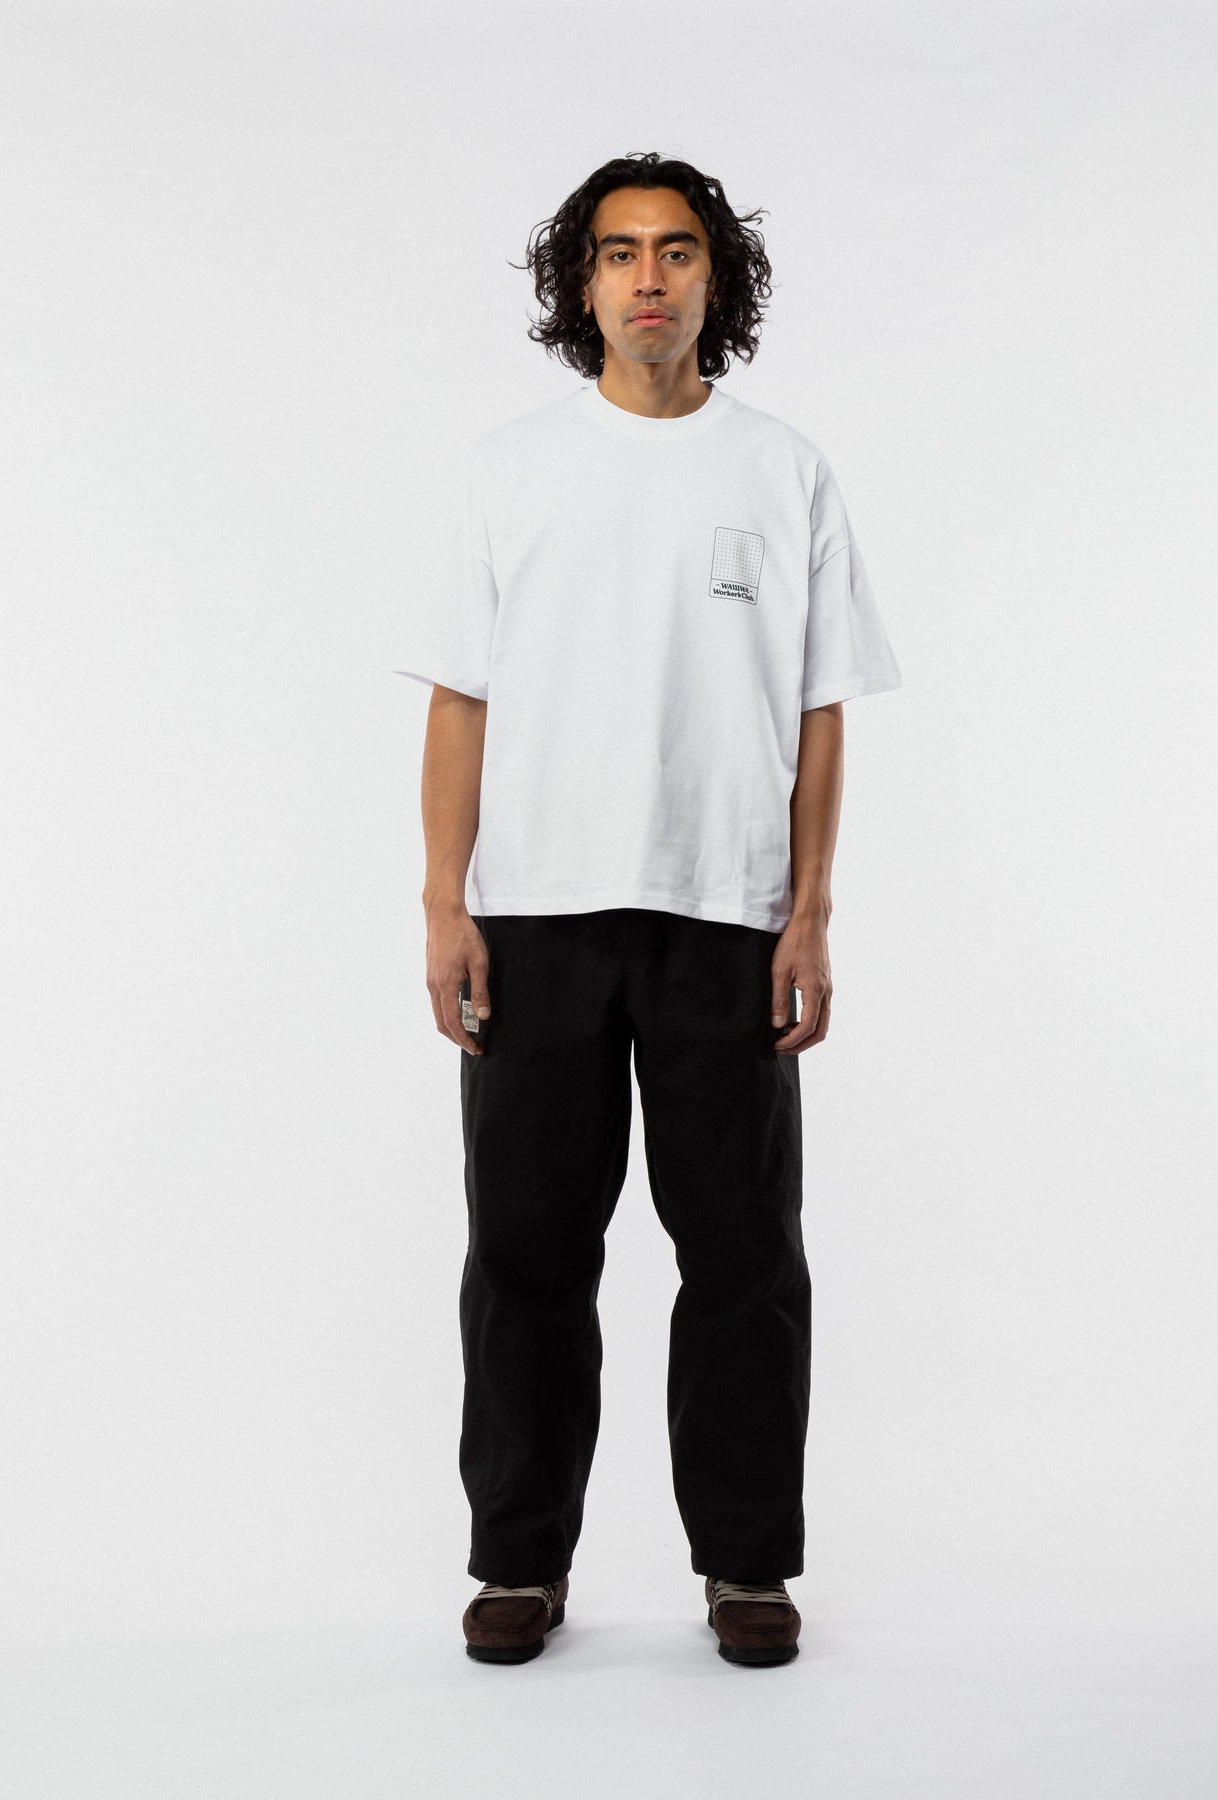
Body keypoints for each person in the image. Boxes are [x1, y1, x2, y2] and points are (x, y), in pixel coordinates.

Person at [389, 151, 903, 1667]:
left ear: (715, 279)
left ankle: (746, 1567)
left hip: (724, 916)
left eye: (677, 251)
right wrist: (444, 903)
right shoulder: (508, 471)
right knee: (527, 1254)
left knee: (742, 1255)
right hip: (535, 912)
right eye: (618, 254)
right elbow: (460, 699)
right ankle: (517, 1563)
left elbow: (819, 708)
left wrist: (809, 911)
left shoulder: (783, 471)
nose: (649, 280)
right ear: (583, 285)